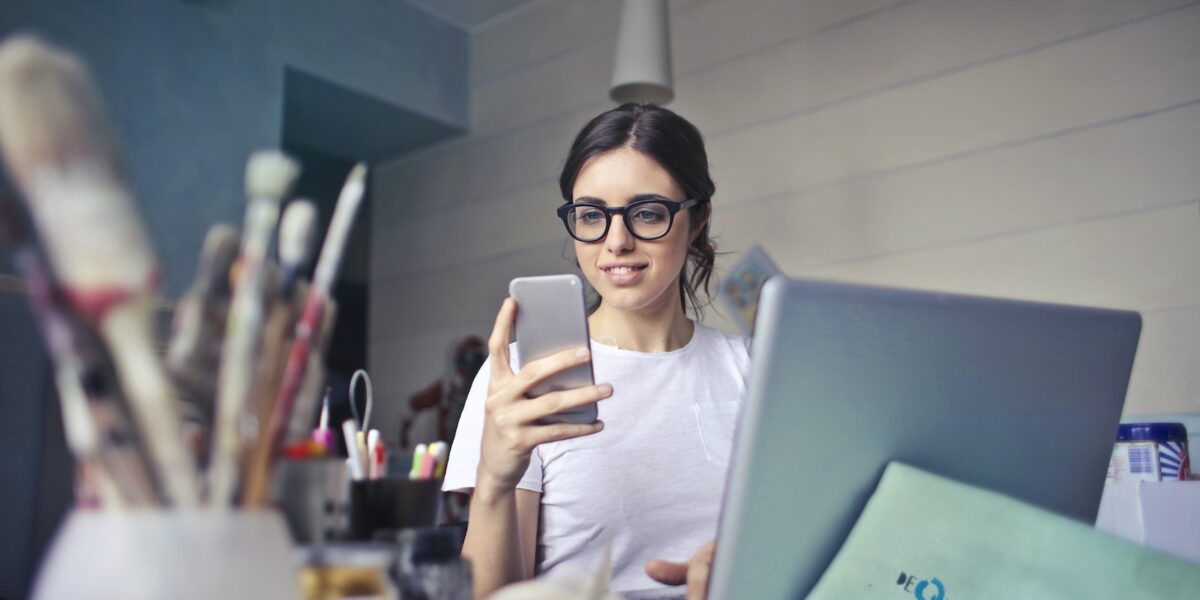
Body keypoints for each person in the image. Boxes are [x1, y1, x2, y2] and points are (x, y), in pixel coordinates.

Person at [443, 103, 751, 600]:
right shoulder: (524, 377)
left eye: (648, 213)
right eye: (592, 216)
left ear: (697, 221)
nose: (617, 241)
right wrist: (495, 480)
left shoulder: (754, 369)